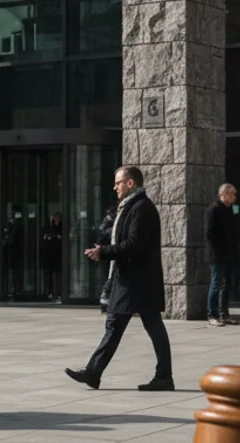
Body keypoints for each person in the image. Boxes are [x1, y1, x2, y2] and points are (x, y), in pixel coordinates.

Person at [65, 166, 173, 392]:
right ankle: (96, 372)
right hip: (132, 279)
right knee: (125, 325)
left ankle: (161, 377)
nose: (115, 187)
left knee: (134, 325)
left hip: (138, 281)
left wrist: (104, 252)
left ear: (131, 183)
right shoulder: (131, 207)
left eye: (118, 183)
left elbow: (134, 244)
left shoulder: (141, 208)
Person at [205, 183, 240, 327]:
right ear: (224, 195)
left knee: (227, 286)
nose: (235, 197)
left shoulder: (230, 209)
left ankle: (224, 314)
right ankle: (212, 314)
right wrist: (219, 252)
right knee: (216, 284)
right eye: (233, 194)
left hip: (230, 254)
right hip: (218, 255)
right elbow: (210, 234)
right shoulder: (214, 210)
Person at [97, 207, 115, 313]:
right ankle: (105, 300)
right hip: (109, 252)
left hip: (109, 251)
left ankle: (106, 300)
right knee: (110, 276)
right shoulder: (108, 222)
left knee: (111, 276)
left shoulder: (107, 222)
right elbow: (106, 234)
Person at [43, 213, 63, 301]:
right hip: (50, 253)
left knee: (59, 273)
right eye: (55, 218)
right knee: (50, 273)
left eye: (58, 218)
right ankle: (50, 292)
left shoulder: (62, 227)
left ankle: (59, 293)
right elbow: (45, 237)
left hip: (59, 253)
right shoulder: (49, 227)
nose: (56, 220)